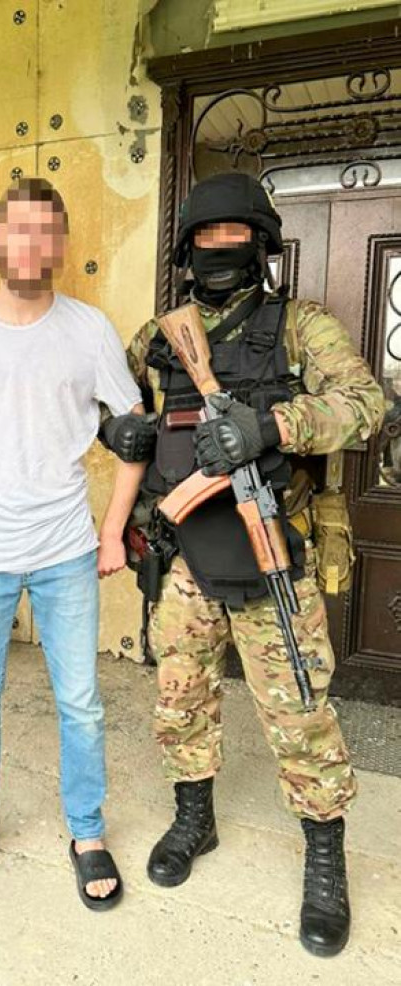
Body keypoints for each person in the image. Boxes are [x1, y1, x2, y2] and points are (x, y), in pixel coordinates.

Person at [117, 172, 384, 956]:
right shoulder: (158, 336)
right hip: (185, 558)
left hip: (272, 555)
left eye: (236, 235)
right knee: (181, 698)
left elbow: (367, 406)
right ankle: (192, 819)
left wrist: (271, 427)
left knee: (299, 713)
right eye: (207, 236)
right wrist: (116, 433)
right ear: (186, 248)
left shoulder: (301, 326)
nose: (220, 248)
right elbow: (121, 404)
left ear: (261, 244)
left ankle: (325, 858)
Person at [0, 177, 147, 910]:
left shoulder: (90, 330)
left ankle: (87, 833)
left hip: (65, 549)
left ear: (61, 245)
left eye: (45, 232)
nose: (30, 244)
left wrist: (111, 531)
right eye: (18, 229)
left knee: (80, 702)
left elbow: (135, 435)